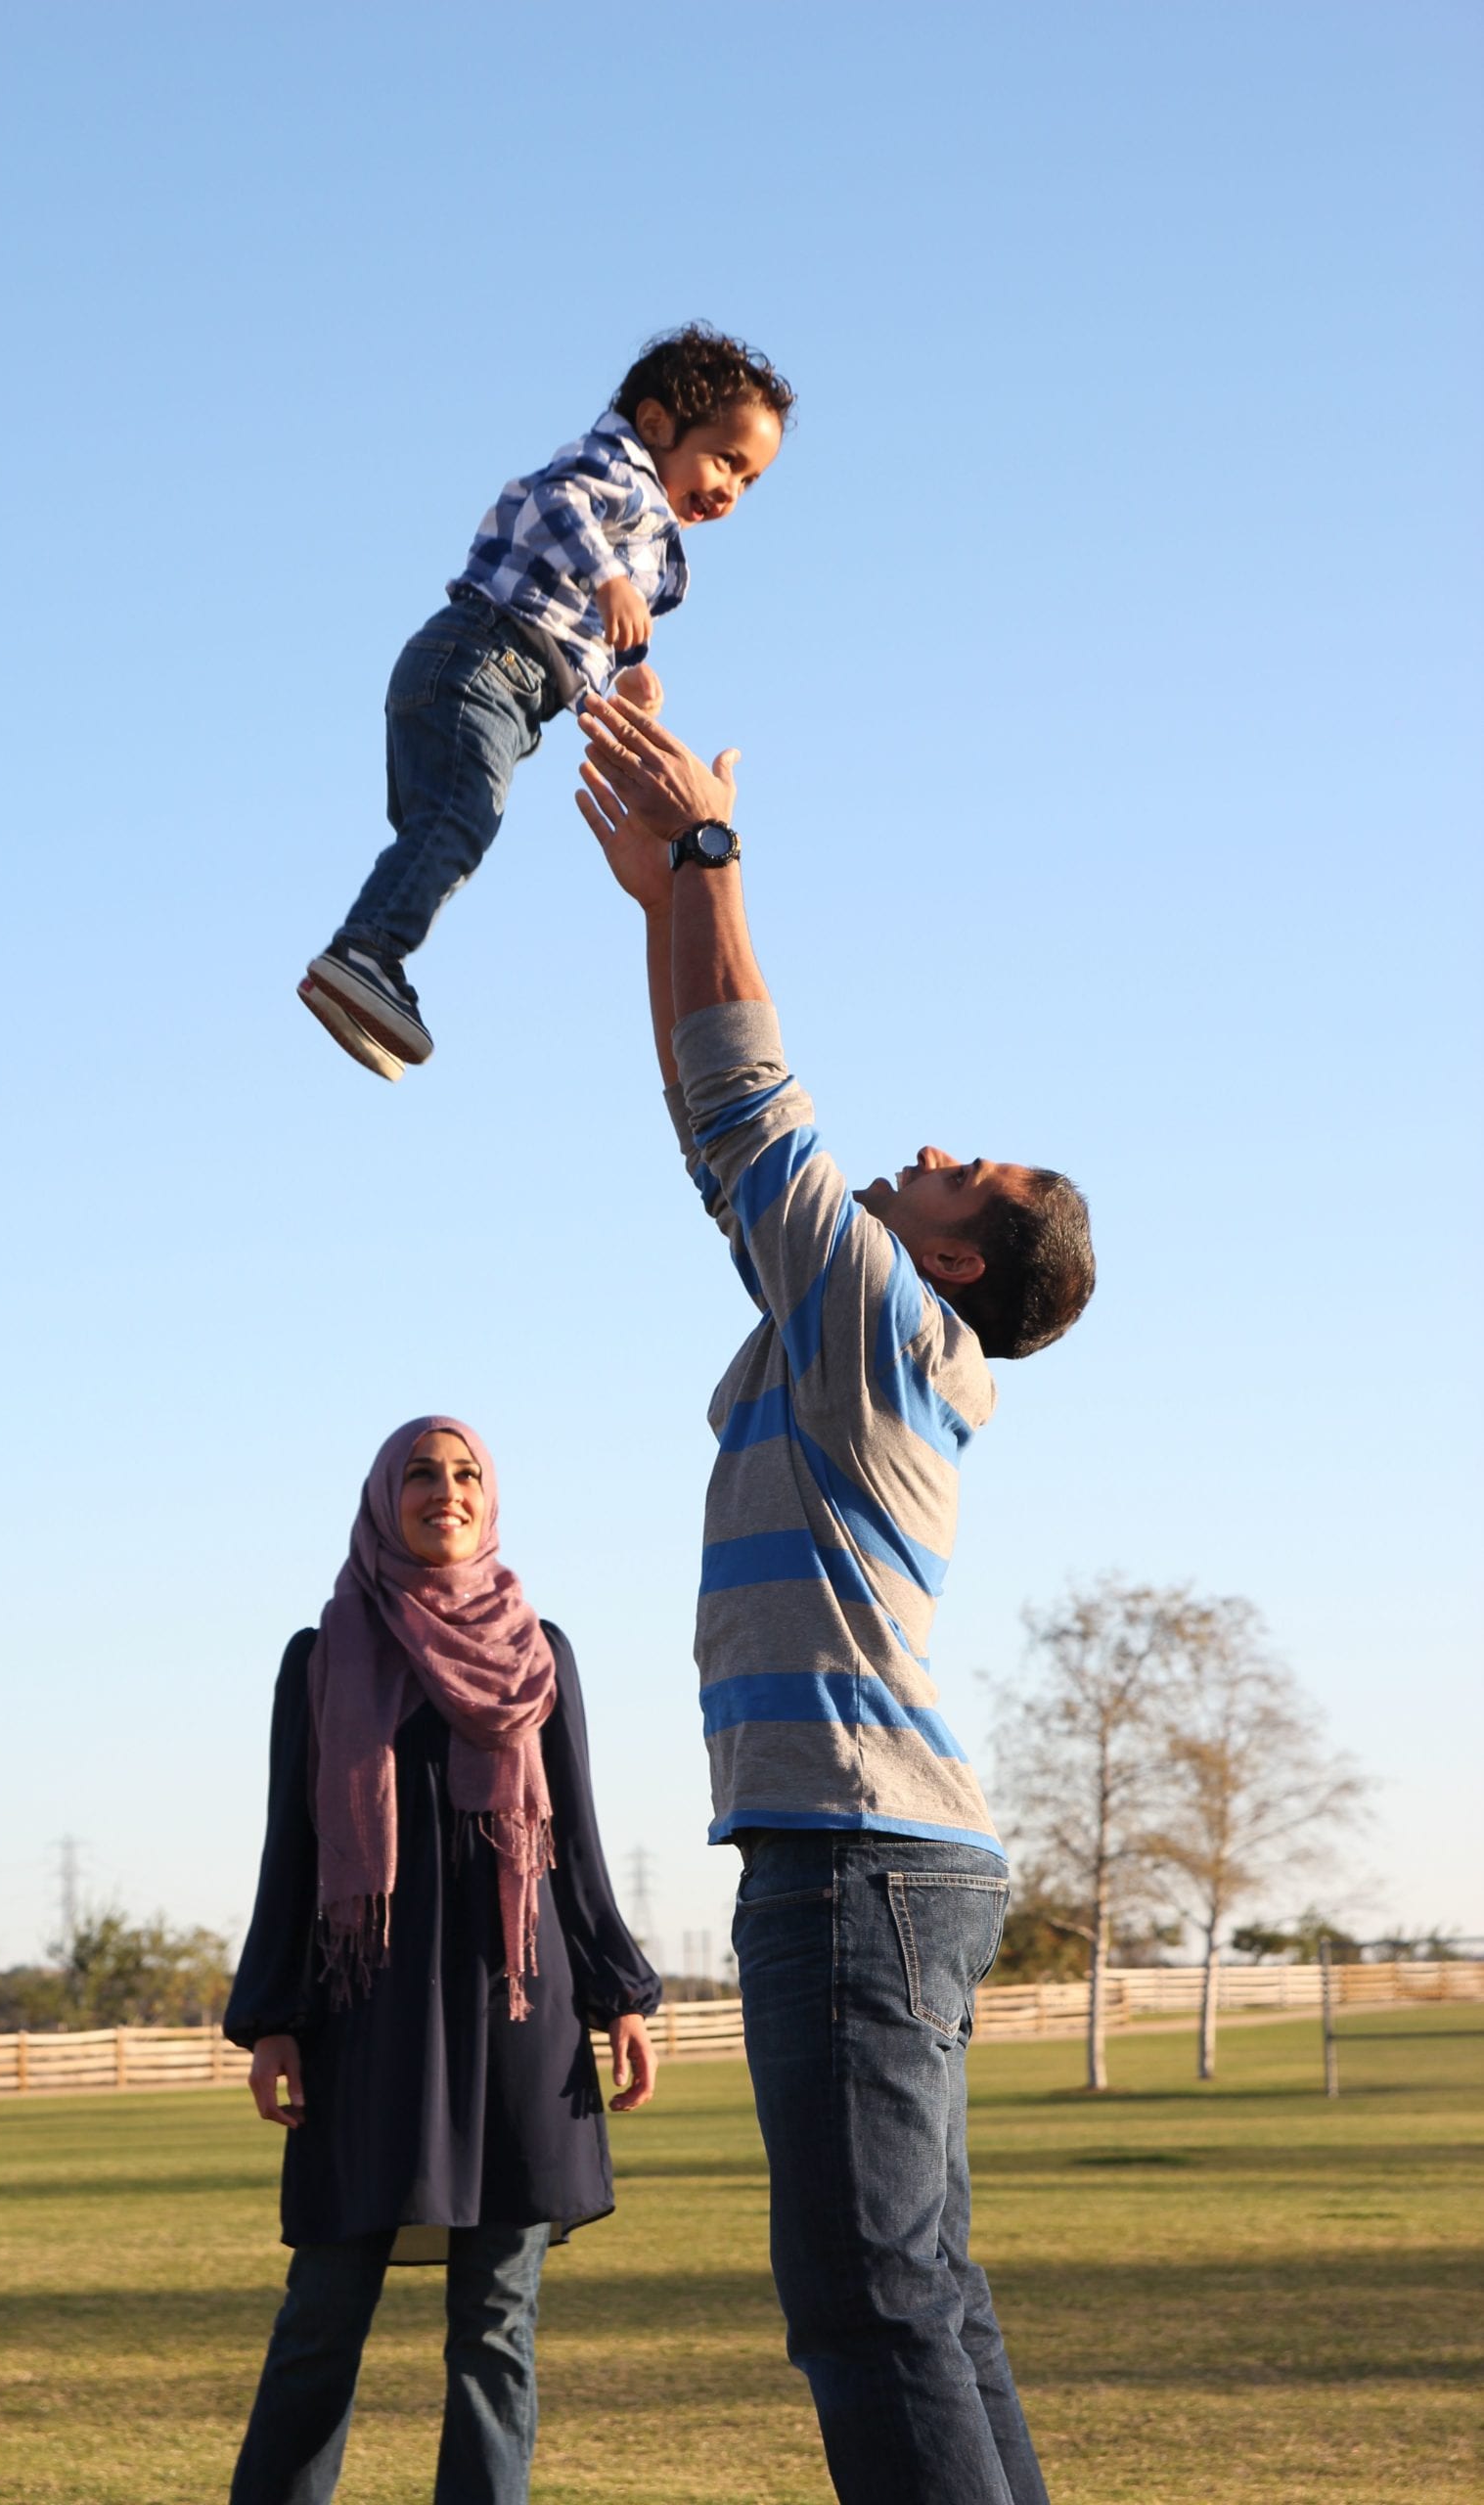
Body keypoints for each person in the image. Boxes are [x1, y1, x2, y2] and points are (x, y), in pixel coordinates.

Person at [575, 693, 1097, 2505]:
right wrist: (661, 899)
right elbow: (718, 1136)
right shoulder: (851, 1326)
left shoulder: (877, 1318)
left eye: (971, 1168)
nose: (935, 1139)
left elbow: (752, 1103)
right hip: (883, 1860)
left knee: (868, 2298)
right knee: (916, 2289)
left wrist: (708, 859)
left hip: (857, 1857)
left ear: (953, 1255)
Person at [223, 1415, 659, 2505]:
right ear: (386, 1496)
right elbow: (294, 1841)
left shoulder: (539, 1651)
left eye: (467, 1474)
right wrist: (274, 2013)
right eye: (422, 1473)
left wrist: (621, 1996)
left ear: (490, 1499)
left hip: (519, 2013)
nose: (445, 1491)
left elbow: (576, 1847)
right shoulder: (324, 1657)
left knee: (497, 2324)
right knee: (323, 2310)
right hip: (368, 2016)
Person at [298, 322, 791, 1081]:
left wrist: (621, 684)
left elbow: (572, 634)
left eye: (749, 480)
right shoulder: (618, 472)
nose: (729, 489)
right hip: (478, 662)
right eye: (725, 459)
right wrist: (609, 578)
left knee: (439, 838)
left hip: (479, 673)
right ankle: (364, 955)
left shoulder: (644, 544)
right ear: (657, 424)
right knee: (456, 823)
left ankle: (364, 973)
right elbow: (551, 501)